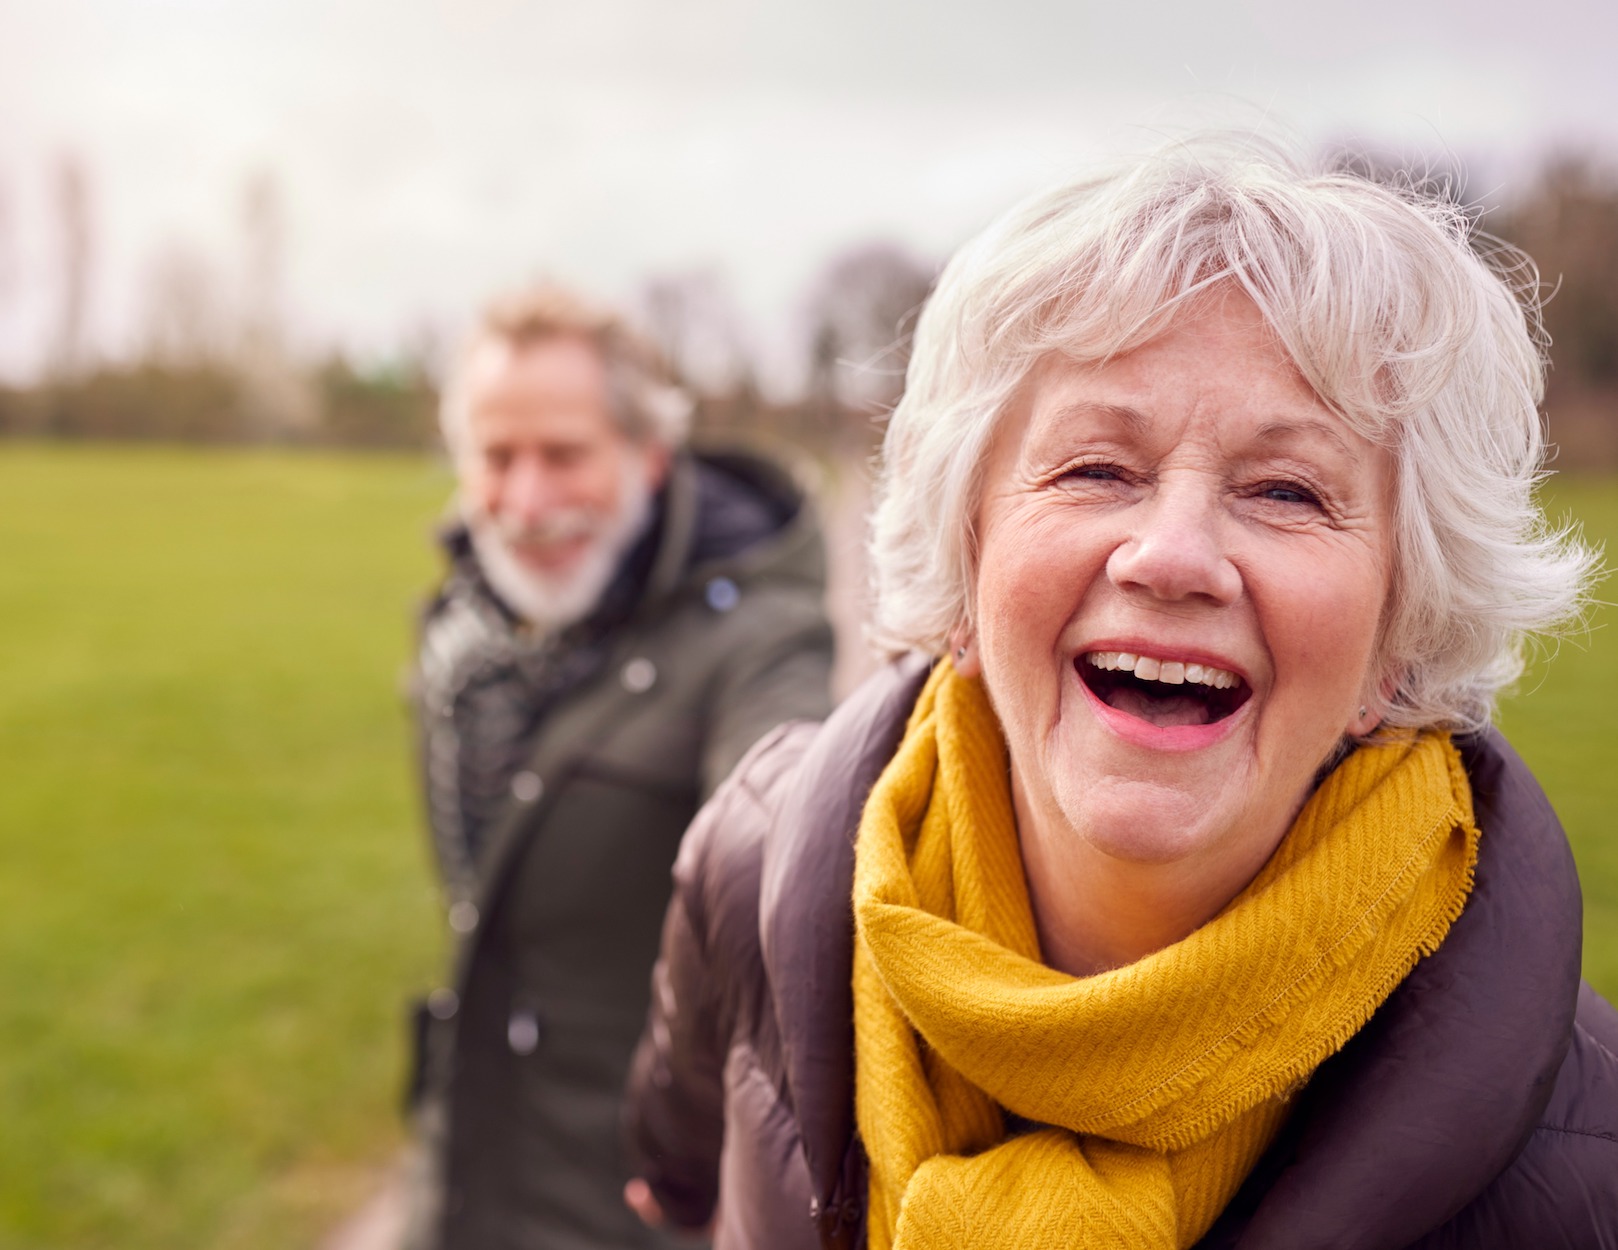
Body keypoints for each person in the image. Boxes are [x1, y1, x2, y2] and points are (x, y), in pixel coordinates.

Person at [624, 136, 1618, 1249]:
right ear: (965, 560)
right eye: (1097, 468)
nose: (1171, 555)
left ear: (1403, 633)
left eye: (1286, 489)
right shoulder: (751, 857)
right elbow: (674, 1161)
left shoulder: (1587, 1176)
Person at [405, 283, 835, 1250]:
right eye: (495, 457)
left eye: (563, 454)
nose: (525, 500)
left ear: (647, 456)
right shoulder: (461, 634)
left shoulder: (762, 640)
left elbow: (783, 826)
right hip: (463, 1175)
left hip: (631, 1208)